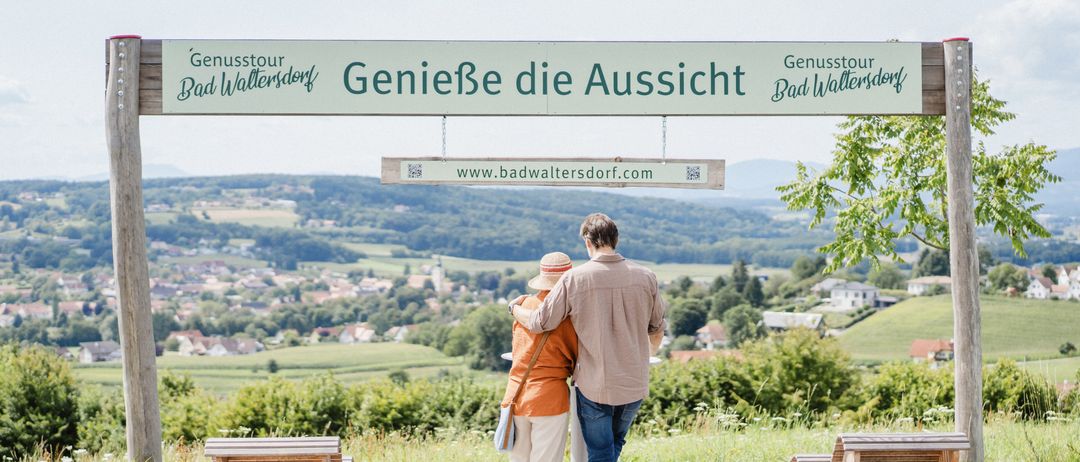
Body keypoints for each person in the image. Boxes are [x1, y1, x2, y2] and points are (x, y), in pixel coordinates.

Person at [509, 213, 666, 462]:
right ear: (616, 239)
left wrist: (515, 309)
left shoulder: (575, 278)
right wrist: (644, 356)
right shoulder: (646, 276)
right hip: (634, 382)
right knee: (615, 443)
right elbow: (657, 328)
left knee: (601, 451)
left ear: (587, 242)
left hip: (596, 384)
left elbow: (541, 322)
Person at [501, 252, 579, 462]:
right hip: (549, 398)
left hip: (516, 394)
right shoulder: (569, 316)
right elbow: (576, 359)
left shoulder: (523, 306)